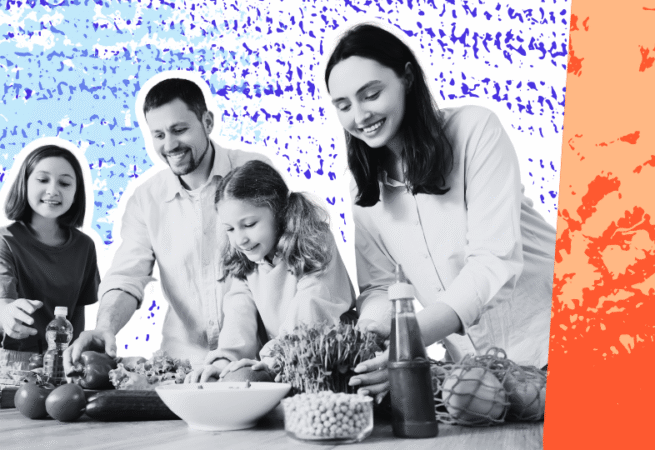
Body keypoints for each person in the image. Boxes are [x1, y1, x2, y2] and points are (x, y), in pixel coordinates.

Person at [323, 24, 555, 399]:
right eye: (344, 105)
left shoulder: (474, 130)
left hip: (553, 339)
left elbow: (492, 261)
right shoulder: (364, 187)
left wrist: (407, 341)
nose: (360, 116)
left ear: (407, 78)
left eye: (371, 94)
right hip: (475, 374)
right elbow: (381, 285)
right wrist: (374, 332)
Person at [63, 77, 273, 371]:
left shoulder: (253, 172)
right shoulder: (146, 199)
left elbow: (284, 265)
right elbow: (127, 277)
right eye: (158, 135)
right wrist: (105, 327)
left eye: (179, 130)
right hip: (183, 365)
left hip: (257, 362)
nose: (170, 145)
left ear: (208, 122)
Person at [186, 160, 358, 382]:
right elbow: (239, 312)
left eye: (249, 224)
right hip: (282, 359)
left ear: (278, 212)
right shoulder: (246, 258)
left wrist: (273, 357)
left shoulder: (314, 240)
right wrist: (225, 360)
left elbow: (312, 306)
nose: (240, 239)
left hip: (330, 361)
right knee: (233, 378)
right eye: (230, 229)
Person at [0, 144, 100, 386]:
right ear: (25, 183)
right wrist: (7, 315)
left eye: (64, 183)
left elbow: (77, 317)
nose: (52, 190)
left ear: (77, 193)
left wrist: (73, 360)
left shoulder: (85, 247)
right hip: (7, 363)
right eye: (43, 179)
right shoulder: (4, 240)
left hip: (56, 365)